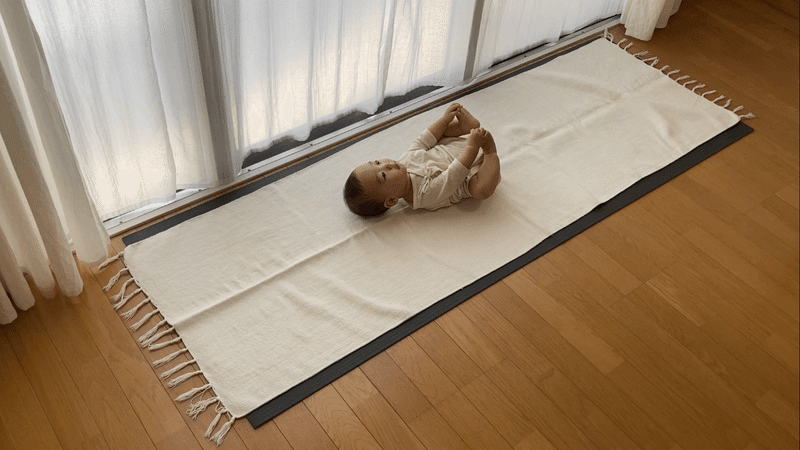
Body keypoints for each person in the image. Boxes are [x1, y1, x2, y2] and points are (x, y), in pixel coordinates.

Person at [343, 103, 501, 216]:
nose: (387, 164)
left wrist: (444, 120)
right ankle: (490, 151)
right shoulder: (422, 196)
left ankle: (464, 127)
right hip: (474, 170)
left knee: (437, 136)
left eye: (378, 162)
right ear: (391, 200)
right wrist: (473, 148)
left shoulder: (403, 161)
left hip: (453, 146)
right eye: (383, 175)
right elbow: (453, 176)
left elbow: (424, 140)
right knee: (480, 190)